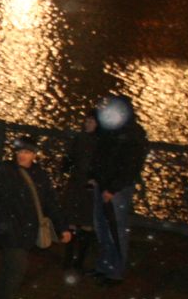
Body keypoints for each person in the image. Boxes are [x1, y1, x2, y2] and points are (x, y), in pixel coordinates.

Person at [0, 136, 69, 299]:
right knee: (16, 269)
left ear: (34, 154)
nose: (22, 155)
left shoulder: (40, 175)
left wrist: (62, 228)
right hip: (9, 228)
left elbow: (50, 203)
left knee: (9, 269)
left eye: (26, 152)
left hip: (27, 230)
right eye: (19, 151)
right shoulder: (6, 170)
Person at [89, 94, 148, 285]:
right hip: (104, 184)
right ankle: (104, 266)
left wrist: (113, 188)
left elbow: (130, 166)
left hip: (116, 189)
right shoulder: (111, 131)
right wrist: (97, 178)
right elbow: (100, 156)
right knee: (102, 227)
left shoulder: (133, 134)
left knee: (115, 229)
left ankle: (115, 271)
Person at [61, 111, 98, 271]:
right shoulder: (80, 138)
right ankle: (70, 258)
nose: (87, 124)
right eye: (87, 121)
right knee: (72, 221)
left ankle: (79, 260)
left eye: (91, 122)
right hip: (77, 182)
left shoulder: (100, 142)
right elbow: (70, 157)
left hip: (88, 186)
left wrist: (95, 177)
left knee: (85, 223)